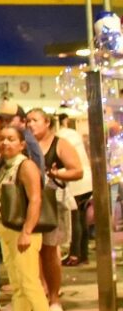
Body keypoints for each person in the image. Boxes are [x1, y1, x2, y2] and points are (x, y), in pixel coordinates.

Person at [0, 125, 57, 311]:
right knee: (18, 287)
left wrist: (27, 231)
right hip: (5, 231)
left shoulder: (25, 166)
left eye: (11, 139)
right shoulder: (4, 167)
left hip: (22, 233)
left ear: (22, 144)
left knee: (30, 286)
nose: (5, 143)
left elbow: (35, 199)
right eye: (2, 139)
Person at [25, 108, 81, 311]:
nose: (31, 124)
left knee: (49, 251)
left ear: (47, 122)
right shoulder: (26, 144)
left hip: (51, 203)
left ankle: (54, 297)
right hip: (29, 202)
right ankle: (39, 294)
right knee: (32, 251)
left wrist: (58, 174)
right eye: (28, 120)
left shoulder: (60, 143)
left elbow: (77, 170)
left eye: (35, 120)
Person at [55, 112, 92, 266]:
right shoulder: (74, 134)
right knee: (82, 218)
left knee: (75, 218)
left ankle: (75, 254)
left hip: (76, 182)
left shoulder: (60, 137)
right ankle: (83, 254)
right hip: (87, 179)